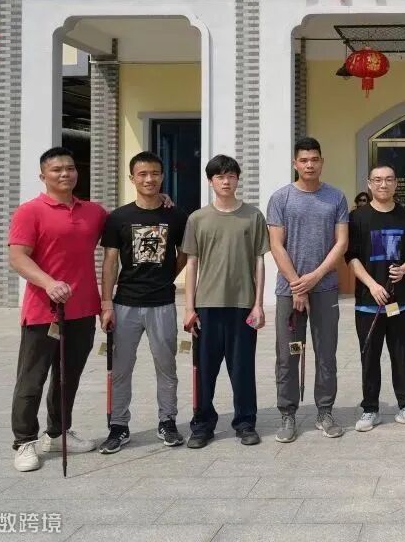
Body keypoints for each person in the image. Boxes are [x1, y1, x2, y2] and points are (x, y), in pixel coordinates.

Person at [8, 147, 108, 472]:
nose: (65, 174)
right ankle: (24, 441)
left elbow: (125, 224)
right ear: (43, 176)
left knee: (68, 378)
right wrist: (49, 283)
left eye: (70, 168)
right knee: (32, 378)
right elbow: (17, 257)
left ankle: (57, 432)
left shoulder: (93, 212)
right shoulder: (29, 212)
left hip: (83, 309)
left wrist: (161, 200)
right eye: (56, 170)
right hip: (43, 311)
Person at [98, 151, 189, 453]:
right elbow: (110, 262)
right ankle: (118, 425)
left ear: (162, 177)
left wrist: (168, 277)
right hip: (125, 303)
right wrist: (106, 304)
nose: (149, 179)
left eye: (155, 173)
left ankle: (168, 421)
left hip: (162, 303)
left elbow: (185, 253)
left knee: (167, 367)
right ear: (132, 178)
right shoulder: (118, 218)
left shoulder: (176, 216)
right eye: (142, 174)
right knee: (121, 369)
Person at [181, 155, 269, 448]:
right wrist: (189, 308)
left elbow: (259, 261)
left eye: (231, 176)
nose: (226, 181)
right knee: (204, 369)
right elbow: (192, 263)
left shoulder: (253, 216)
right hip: (207, 305)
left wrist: (258, 303)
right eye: (220, 176)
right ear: (210, 181)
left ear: (238, 179)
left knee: (242, 368)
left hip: (242, 304)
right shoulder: (198, 219)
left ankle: (245, 423)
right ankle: (202, 424)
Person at [268, 137, 349, 442]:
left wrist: (314, 277)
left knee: (326, 353)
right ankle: (287, 414)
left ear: (322, 162)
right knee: (288, 354)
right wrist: (297, 285)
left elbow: (341, 243)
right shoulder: (281, 198)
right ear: (295, 163)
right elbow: (276, 245)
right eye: (303, 160)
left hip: (325, 287)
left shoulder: (336, 197)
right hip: (289, 291)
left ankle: (324, 412)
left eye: (314, 159)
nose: (309, 165)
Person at [346, 163, 405, 432]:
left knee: (400, 353)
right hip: (368, 302)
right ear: (369, 184)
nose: (383, 184)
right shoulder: (357, 218)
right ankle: (370, 409)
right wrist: (371, 285)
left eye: (389, 179)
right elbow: (351, 257)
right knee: (369, 356)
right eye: (378, 180)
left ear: (396, 183)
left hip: (399, 301)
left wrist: (404, 268)